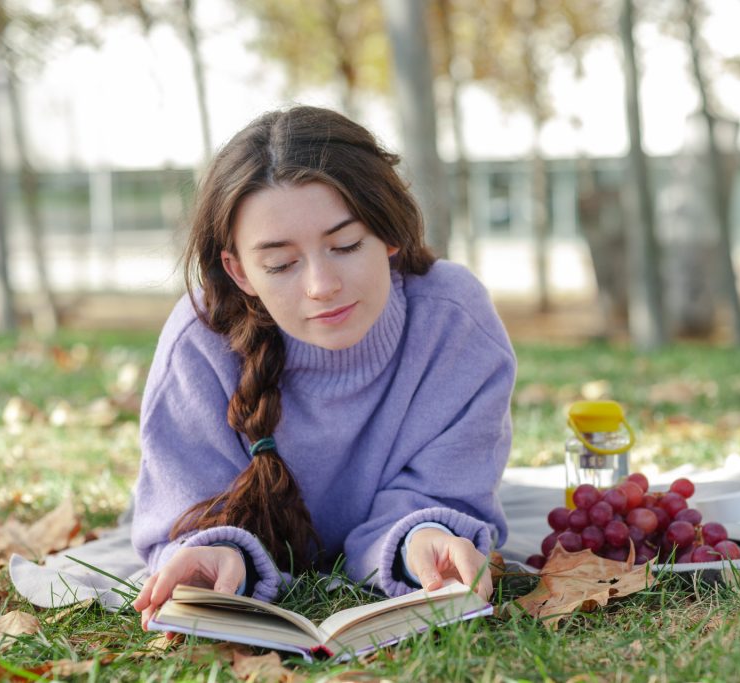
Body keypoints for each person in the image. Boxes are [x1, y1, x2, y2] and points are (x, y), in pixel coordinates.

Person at [130, 106, 516, 628]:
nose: (321, 285)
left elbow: (448, 488)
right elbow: (185, 506)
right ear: (240, 271)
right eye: (280, 264)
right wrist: (218, 554)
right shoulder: (199, 342)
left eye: (346, 245)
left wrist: (424, 538)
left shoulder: (454, 322)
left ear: (390, 231)